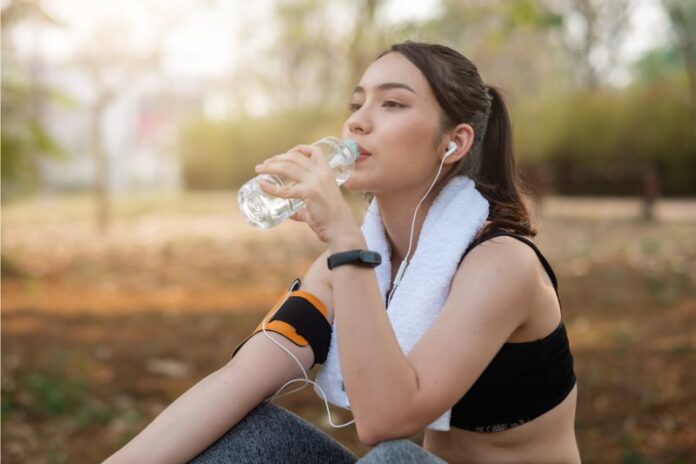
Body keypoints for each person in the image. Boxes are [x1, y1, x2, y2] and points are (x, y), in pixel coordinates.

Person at [104, 41, 580, 464]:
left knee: (396, 459)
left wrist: (347, 244)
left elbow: (385, 423)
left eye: (392, 103)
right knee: (248, 429)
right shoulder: (346, 267)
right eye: (357, 103)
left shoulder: (500, 264)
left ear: (453, 142)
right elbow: (239, 381)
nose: (357, 120)